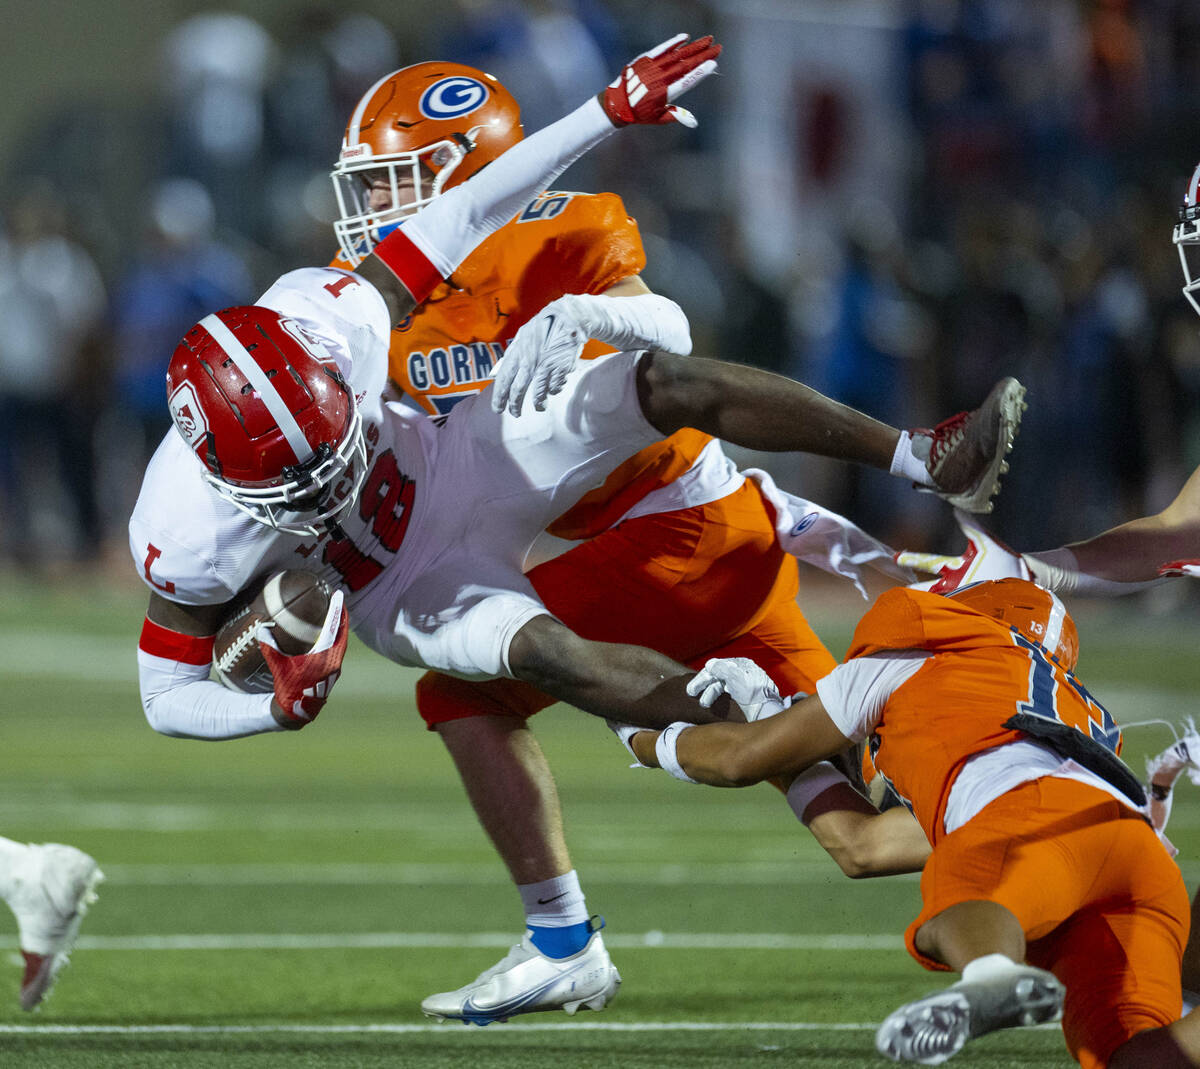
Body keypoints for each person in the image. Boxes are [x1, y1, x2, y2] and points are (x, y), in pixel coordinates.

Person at [128, 33, 1019, 1024]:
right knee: (544, 656)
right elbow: (164, 690)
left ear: (334, 371)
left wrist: (608, 114)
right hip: (401, 586)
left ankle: (920, 462)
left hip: (476, 468)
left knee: (652, 388)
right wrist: (271, 709)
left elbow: (475, 210)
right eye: (299, 481)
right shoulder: (184, 526)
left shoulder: (338, 311)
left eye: (335, 442)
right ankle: (754, 720)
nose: (326, 477)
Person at [619, 578, 1193, 1067]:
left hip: (1035, 814)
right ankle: (993, 973)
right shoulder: (1076, 709)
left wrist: (642, 738)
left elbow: (740, 758)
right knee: (1142, 1057)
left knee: (948, 912)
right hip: (1136, 856)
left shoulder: (932, 647)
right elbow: (861, 846)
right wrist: (772, 715)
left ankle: (992, 977)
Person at [0, 837, 102, 1010]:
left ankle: (31, 879)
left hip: (38, 890)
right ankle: (29, 871)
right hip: (40, 874)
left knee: (28, 998)